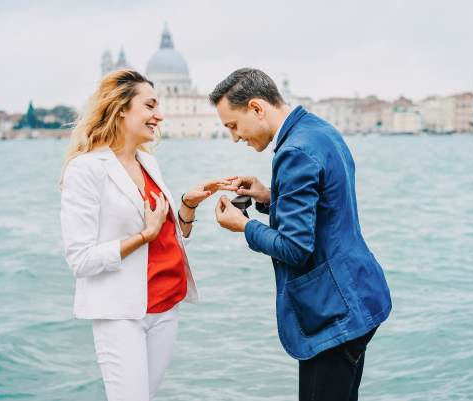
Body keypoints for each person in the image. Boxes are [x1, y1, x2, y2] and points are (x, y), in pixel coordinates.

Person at [210, 68, 392, 401]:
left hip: (332, 311)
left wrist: (244, 225)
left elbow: (295, 248)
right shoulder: (319, 131)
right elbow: (326, 208)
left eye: (233, 126)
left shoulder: (293, 152)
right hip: (356, 293)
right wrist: (268, 197)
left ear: (257, 108)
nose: (235, 137)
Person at [60, 69, 230, 401]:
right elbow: (80, 260)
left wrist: (187, 206)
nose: (160, 115)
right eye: (150, 106)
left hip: (167, 305)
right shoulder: (86, 169)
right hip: (123, 312)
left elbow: (166, 234)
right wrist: (143, 235)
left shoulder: (148, 162)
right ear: (122, 108)